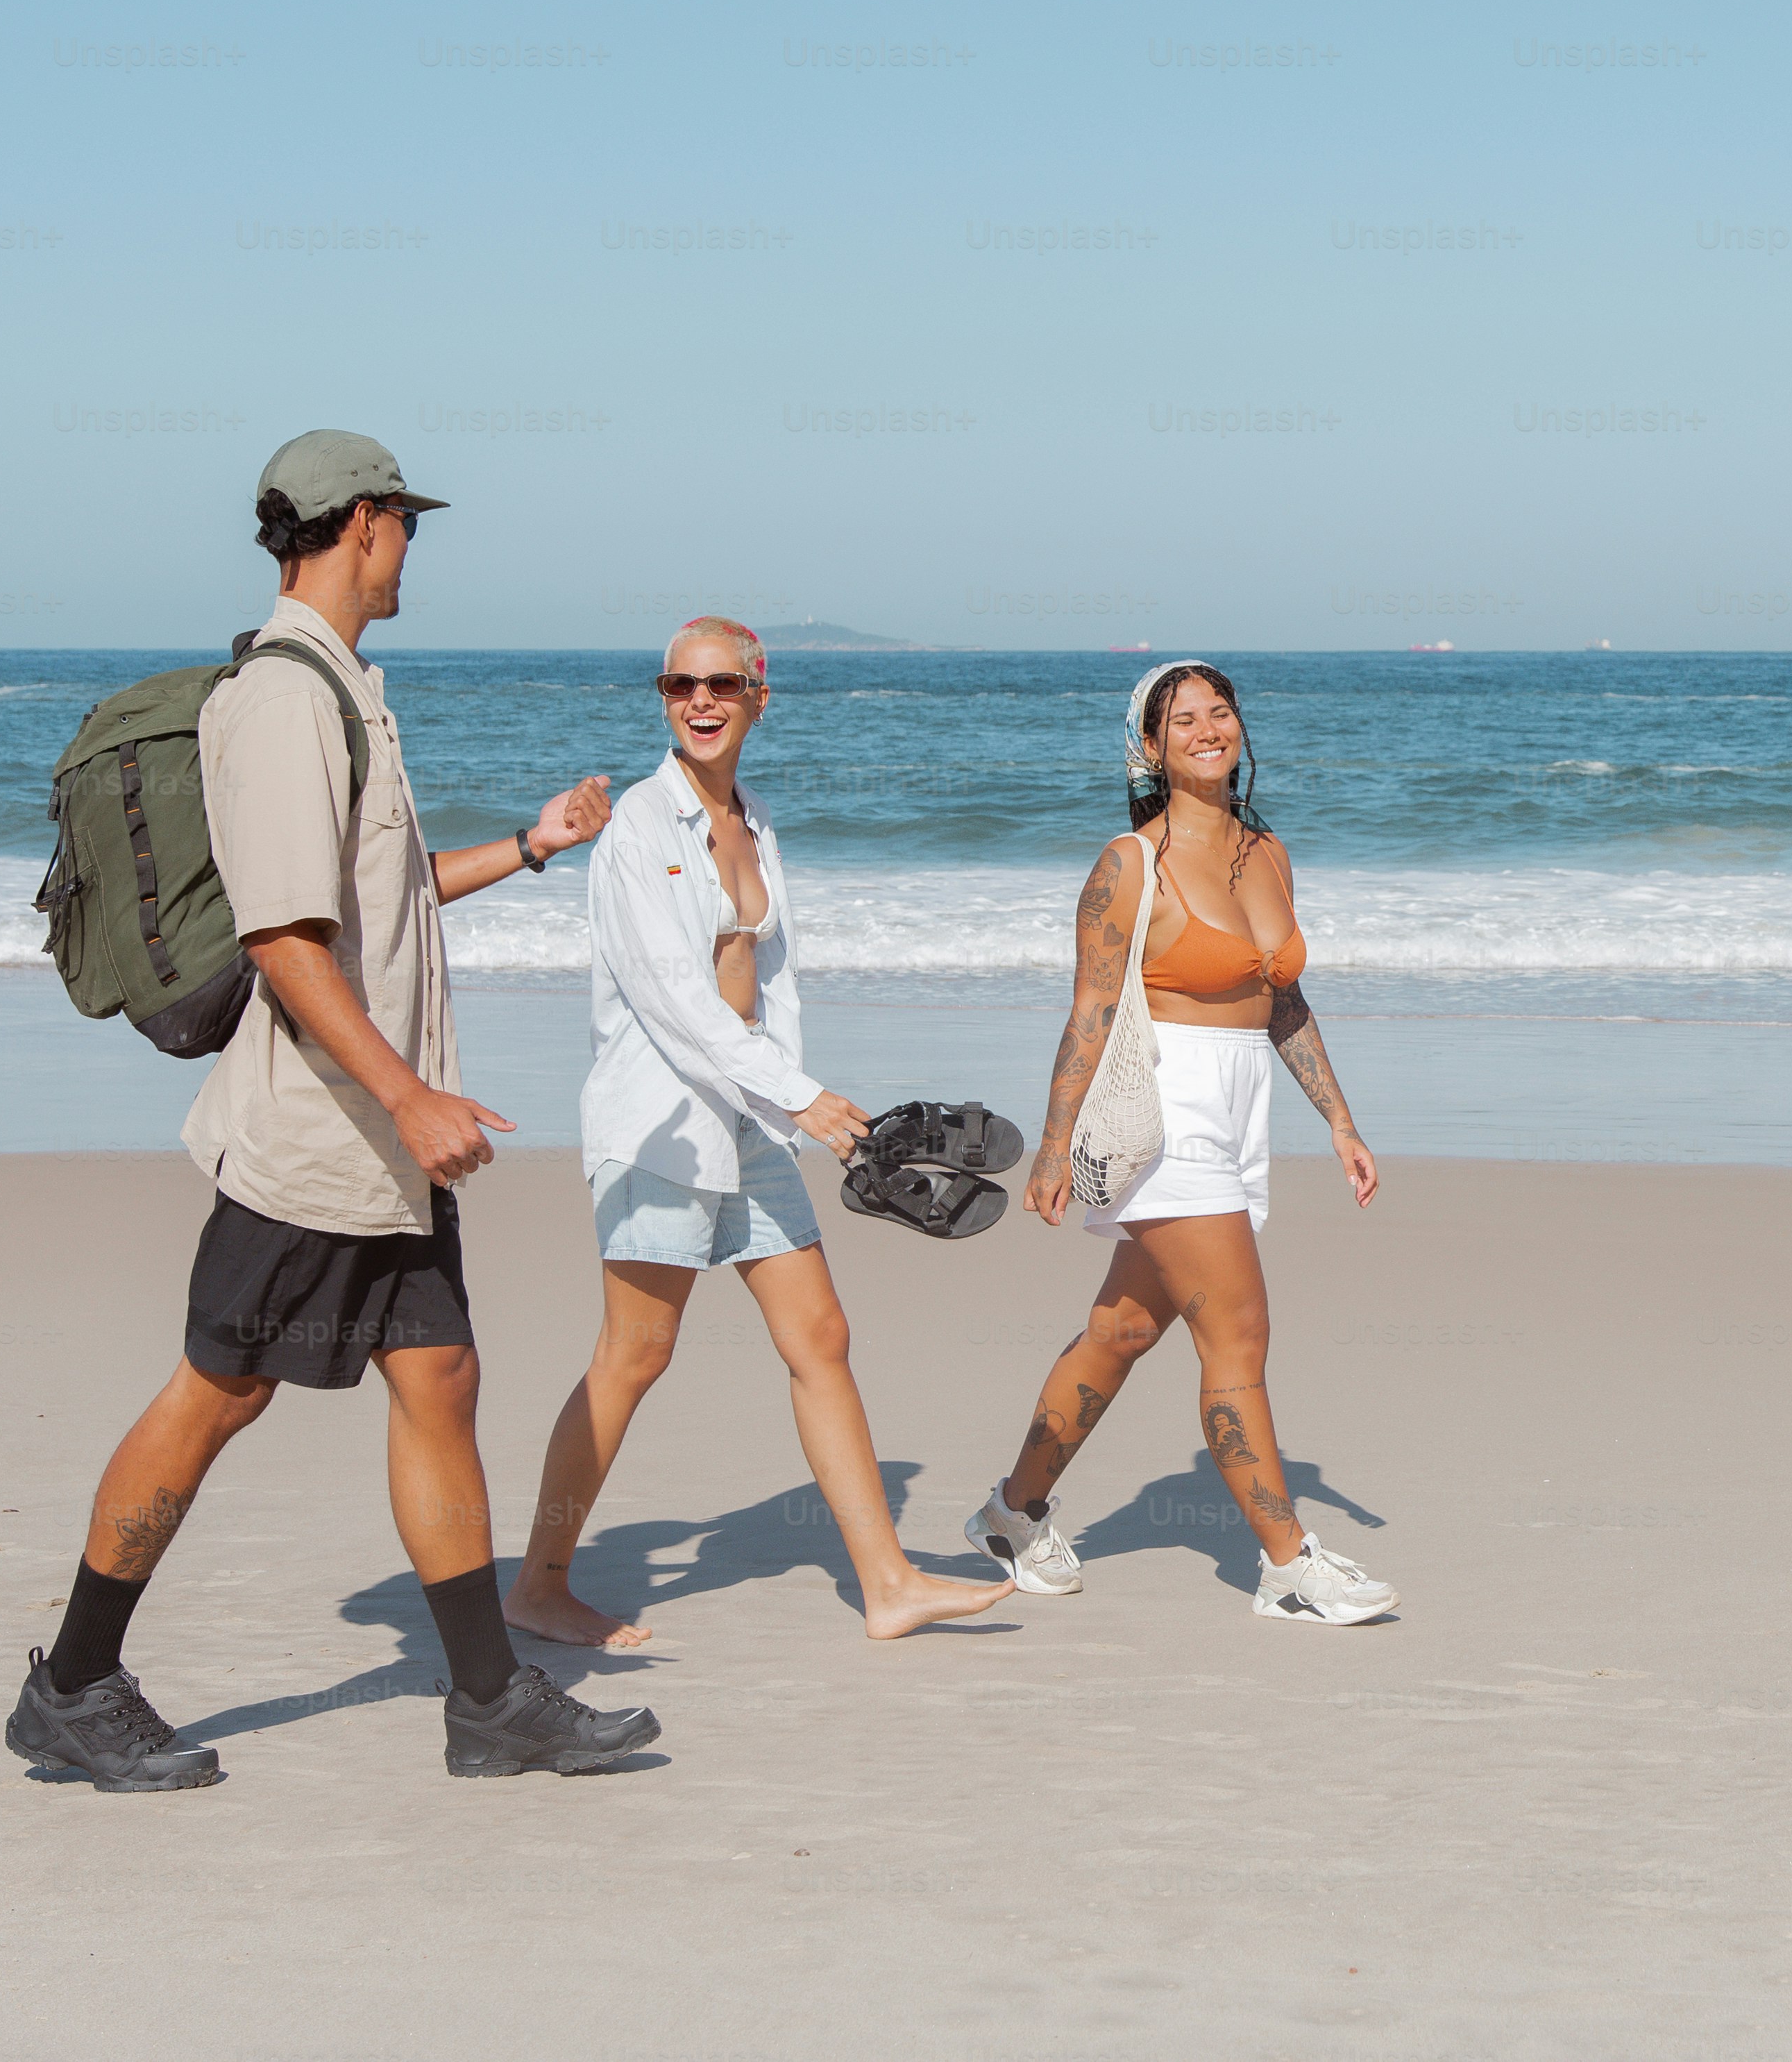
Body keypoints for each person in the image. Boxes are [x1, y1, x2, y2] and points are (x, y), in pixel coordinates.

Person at [5, 429, 656, 1791]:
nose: (412, 546)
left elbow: (386, 893)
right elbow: (288, 938)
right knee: (218, 1390)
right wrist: (410, 1095)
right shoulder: (288, 700)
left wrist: (533, 849)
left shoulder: (343, 689)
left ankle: (487, 1700)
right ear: (365, 523)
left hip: (377, 1145)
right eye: (405, 523)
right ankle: (71, 1683)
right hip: (318, 1134)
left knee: (441, 1376)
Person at [506, 617, 1016, 1647]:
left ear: (758, 696)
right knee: (633, 1354)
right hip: (659, 1128)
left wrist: (797, 1107)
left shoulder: (756, 822)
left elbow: (768, 986)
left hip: (749, 1120)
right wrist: (801, 1097)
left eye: (722, 684)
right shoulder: (640, 831)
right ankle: (540, 1582)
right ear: (664, 696)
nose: (700, 700)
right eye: (680, 683)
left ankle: (886, 1580)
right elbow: (675, 1003)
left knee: (819, 1336)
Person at [964, 660, 1396, 1623]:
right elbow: (1090, 1008)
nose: (1208, 729)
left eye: (1221, 711)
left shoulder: (1268, 852)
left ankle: (1012, 1511)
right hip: (1165, 1110)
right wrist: (1053, 1144)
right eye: (1182, 719)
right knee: (1238, 1331)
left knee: (1120, 1330)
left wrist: (1340, 1119)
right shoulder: (1131, 862)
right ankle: (1288, 1564)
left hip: (1243, 1108)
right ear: (1150, 746)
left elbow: (1280, 998)